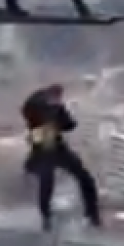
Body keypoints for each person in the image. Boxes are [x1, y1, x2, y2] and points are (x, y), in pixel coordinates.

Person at [21, 83, 101, 231]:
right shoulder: (39, 103)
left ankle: (92, 214)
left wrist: (59, 119)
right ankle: (47, 217)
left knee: (83, 177)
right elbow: (29, 110)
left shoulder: (55, 107)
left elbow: (69, 124)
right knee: (47, 179)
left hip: (55, 146)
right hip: (44, 145)